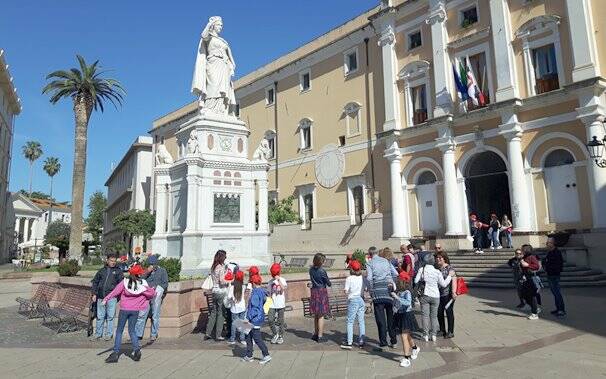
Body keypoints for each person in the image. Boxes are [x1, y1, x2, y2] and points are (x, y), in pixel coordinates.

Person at [103, 264, 155, 363]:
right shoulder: (143, 283)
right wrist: (152, 290)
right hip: (135, 311)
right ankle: (136, 350)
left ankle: (115, 353)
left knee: (119, 331)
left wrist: (106, 299)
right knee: (132, 331)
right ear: (139, 274)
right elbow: (151, 294)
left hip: (124, 310)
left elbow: (115, 292)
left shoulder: (125, 282)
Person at [414, 254, 454, 342]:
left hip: (424, 295)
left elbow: (416, 281)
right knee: (434, 316)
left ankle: (425, 335)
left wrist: (422, 279)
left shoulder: (422, 269)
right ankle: (434, 335)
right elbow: (443, 284)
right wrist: (450, 276)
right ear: (433, 261)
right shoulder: (437, 272)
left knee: (425, 316)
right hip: (436, 295)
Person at [367, 246, 399, 348]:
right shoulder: (386, 261)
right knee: (390, 317)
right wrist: (390, 282)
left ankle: (383, 341)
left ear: (370, 254)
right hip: (388, 291)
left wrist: (370, 290)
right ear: (377, 252)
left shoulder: (370, 263)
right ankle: (393, 340)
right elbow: (396, 273)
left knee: (380, 319)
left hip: (377, 292)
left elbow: (369, 278)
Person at [90, 253, 123, 341]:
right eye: (111, 261)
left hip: (112, 298)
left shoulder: (118, 271)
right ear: (107, 260)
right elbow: (95, 282)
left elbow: (121, 285)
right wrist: (94, 293)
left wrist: (117, 297)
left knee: (110, 317)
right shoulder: (102, 271)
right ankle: (98, 334)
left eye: (114, 261)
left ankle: (109, 334)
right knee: (100, 317)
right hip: (100, 297)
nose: (113, 262)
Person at [135, 255, 168, 342]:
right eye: (150, 264)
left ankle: (153, 334)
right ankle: (138, 334)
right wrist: (147, 272)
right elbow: (140, 279)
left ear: (157, 264)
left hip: (156, 296)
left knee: (155, 315)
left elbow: (165, 283)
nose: (152, 266)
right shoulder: (146, 271)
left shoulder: (162, 271)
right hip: (146, 296)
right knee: (142, 315)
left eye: (153, 264)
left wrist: (158, 289)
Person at [391, 271, 420, 368]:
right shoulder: (399, 292)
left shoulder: (407, 292)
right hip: (400, 314)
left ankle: (406, 358)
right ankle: (415, 348)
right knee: (407, 336)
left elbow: (408, 303)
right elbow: (397, 303)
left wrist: (397, 298)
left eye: (398, 280)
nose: (397, 282)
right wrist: (394, 306)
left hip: (407, 315)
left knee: (404, 336)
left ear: (403, 282)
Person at [242, 274, 272, 365]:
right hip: (258, 317)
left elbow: (254, 308)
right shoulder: (262, 291)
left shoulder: (255, 293)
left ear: (254, 283)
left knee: (257, 338)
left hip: (254, 319)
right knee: (248, 335)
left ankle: (266, 355)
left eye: (251, 282)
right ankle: (249, 355)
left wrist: (248, 318)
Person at [340, 260, 366, 349]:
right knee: (361, 321)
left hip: (353, 299)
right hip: (361, 299)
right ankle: (361, 341)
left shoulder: (349, 278)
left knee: (350, 321)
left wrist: (345, 291)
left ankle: (349, 342)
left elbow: (346, 290)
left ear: (351, 269)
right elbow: (365, 289)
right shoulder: (362, 278)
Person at [205, 250, 229, 341]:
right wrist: (229, 282)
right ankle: (218, 334)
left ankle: (208, 332)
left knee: (213, 312)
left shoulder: (213, 267)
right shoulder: (220, 268)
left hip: (214, 291)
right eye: (225, 256)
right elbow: (222, 281)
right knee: (221, 313)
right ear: (222, 257)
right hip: (221, 291)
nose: (226, 258)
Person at [309, 253, 331, 343]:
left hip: (314, 291)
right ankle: (320, 336)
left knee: (316, 315)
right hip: (321, 292)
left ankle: (315, 333)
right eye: (323, 260)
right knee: (321, 315)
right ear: (321, 261)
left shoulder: (311, 270)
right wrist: (328, 282)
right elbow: (328, 283)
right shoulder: (322, 271)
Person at [435, 251, 457, 339]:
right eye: (437, 258)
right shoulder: (437, 268)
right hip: (439, 294)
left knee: (449, 312)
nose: (438, 259)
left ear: (444, 258)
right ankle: (442, 330)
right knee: (439, 312)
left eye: (440, 258)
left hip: (448, 294)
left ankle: (450, 331)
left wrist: (454, 292)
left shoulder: (449, 268)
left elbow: (454, 279)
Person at [543, 237, 566, 317]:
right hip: (550, 274)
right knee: (555, 293)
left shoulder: (556, 252)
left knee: (557, 293)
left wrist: (550, 268)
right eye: (547, 242)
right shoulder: (549, 252)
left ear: (553, 244)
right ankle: (558, 308)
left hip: (554, 275)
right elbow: (546, 262)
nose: (547, 244)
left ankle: (561, 310)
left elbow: (559, 265)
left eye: (548, 242)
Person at [268, 263, 288, 344]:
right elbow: (268, 293)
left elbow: (283, 288)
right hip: (272, 303)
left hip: (280, 304)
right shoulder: (270, 282)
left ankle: (280, 336)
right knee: (270, 319)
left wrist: (278, 280)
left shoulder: (282, 280)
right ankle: (275, 334)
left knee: (280, 321)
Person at [519, 247, 541, 320]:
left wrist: (527, 265)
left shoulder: (532, 257)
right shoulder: (524, 258)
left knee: (532, 296)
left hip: (532, 279)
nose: (521, 251)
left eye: (522, 250)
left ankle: (534, 313)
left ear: (526, 251)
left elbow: (537, 266)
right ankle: (535, 308)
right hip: (526, 279)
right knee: (523, 294)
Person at [226, 270, 247, 345]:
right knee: (242, 323)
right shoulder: (243, 286)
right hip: (242, 307)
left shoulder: (232, 287)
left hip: (234, 308)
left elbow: (228, 297)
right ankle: (242, 339)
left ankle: (232, 338)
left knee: (234, 323)